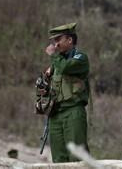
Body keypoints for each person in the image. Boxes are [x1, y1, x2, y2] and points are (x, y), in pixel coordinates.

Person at [40, 23, 90, 163]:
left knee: (77, 157)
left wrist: (53, 56)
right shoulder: (56, 63)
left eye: (58, 40)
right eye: (53, 41)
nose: (55, 44)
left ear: (69, 40)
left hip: (73, 111)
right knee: (59, 159)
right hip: (55, 114)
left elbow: (65, 67)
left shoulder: (80, 58)